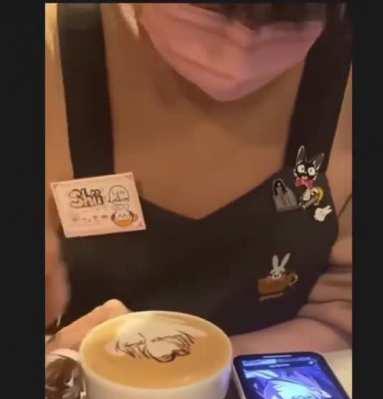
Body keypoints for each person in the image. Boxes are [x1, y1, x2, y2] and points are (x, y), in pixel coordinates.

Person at [45, 3, 352, 355]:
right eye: (208, 6)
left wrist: (202, 363)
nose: (239, 44)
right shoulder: (52, 51)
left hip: (281, 375)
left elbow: (345, 311)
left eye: (290, 14)